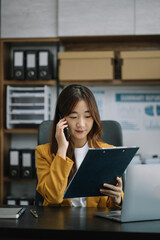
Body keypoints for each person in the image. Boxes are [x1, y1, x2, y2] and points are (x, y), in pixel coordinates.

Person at [36, 84, 123, 207]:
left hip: (96, 223)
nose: (81, 124)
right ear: (61, 119)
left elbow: (111, 206)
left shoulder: (108, 151)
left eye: (87, 116)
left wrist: (118, 199)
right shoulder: (43, 153)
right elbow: (54, 198)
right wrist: (61, 149)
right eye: (73, 117)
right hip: (60, 223)